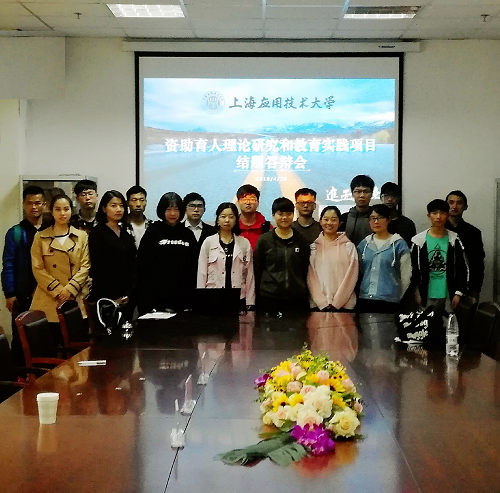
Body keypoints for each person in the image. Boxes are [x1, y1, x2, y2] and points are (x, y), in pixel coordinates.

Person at [30, 194, 90, 340]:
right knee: (50, 344)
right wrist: (58, 291)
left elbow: (85, 266)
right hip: (49, 297)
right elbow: (37, 268)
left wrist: (69, 289)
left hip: (74, 296)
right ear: (51, 211)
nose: (62, 213)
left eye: (66, 209)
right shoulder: (40, 237)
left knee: (78, 345)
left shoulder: (81, 236)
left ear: (71, 210)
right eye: (58, 209)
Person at [2, 186, 49, 365]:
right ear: (23, 204)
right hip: (23, 295)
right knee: (20, 339)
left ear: (44, 204)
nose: (33, 207)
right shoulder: (15, 232)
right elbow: (8, 264)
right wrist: (10, 293)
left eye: (37, 203)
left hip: (47, 293)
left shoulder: (51, 230)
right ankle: (20, 377)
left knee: (45, 337)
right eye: (29, 203)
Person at [137, 192, 197, 314]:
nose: (172, 213)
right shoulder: (153, 231)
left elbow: (194, 265)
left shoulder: (187, 234)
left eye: (176, 209)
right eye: (168, 209)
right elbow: (142, 265)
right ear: (162, 210)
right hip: (156, 299)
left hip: (183, 298)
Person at [254, 197, 310, 313]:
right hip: (269, 297)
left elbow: (305, 268)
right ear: (273, 215)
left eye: (288, 214)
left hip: (296, 298)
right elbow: (258, 269)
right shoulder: (265, 240)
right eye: (280, 214)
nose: (284, 217)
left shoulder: (302, 240)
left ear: (293, 215)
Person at [411, 199, 468, 311]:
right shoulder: (418, 241)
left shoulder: (454, 239)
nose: (438, 217)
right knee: (426, 321)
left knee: (449, 322)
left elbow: (462, 267)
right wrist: (416, 291)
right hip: (426, 294)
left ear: (447, 216)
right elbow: (413, 269)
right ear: (429, 216)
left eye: (442, 213)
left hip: (448, 294)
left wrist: (459, 292)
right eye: (434, 213)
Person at [88, 191, 137, 320]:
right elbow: (98, 267)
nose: (118, 209)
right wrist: (114, 296)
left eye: (121, 206)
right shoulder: (97, 233)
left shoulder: (125, 233)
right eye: (113, 205)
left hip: (127, 294)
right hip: (106, 295)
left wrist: (129, 292)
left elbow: (132, 263)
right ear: (104, 208)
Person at [197, 202, 255, 308]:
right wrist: (201, 300)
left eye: (231, 217)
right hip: (213, 297)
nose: (227, 220)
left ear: (236, 220)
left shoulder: (244, 243)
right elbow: (202, 273)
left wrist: (250, 301)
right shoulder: (208, 242)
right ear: (217, 219)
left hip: (238, 298)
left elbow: (249, 274)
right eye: (223, 216)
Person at [357, 204, 411, 313]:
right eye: (373, 218)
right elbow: (360, 270)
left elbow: (406, 275)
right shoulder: (364, 244)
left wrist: (397, 295)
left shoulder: (399, 244)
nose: (376, 222)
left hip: (390, 300)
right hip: (365, 297)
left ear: (388, 219)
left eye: (380, 218)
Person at [307, 206, 358, 311]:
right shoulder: (314, 247)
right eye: (326, 219)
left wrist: (337, 302)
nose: (329, 223)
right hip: (318, 306)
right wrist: (322, 302)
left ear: (339, 223)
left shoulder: (348, 246)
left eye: (333, 220)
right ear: (320, 221)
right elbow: (311, 277)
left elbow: (352, 276)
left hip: (344, 305)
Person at [445, 190, 484, 301]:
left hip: (467, 287)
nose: (454, 206)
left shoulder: (473, 233)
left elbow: (477, 264)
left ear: (465, 207)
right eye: (451, 202)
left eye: (459, 203)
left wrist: (475, 289)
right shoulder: (438, 231)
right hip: (442, 286)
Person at [339, 175, 374, 246]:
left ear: (372, 194)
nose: (362, 195)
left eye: (365, 191)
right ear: (352, 194)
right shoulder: (344, 218)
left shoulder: (377, 218)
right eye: (358, 191)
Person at [380, 182, 416, 248]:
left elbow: (410, 248)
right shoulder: (375, 222)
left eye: (394, 196)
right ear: (381, 197)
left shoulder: (407, 224)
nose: (390, 199)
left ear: (399, 198)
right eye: (386, 195)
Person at [236, 184, 271, 251]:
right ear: (238, 202)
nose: (248, 203)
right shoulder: (233, 226)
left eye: (252, 199)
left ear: (258, 202)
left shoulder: (267, 227)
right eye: (244, 199)